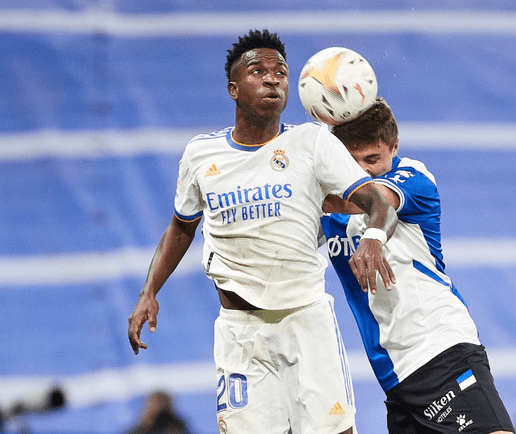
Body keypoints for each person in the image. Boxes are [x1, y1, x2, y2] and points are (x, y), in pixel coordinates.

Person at [127, 30, 398, 434]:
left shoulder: (313, 142)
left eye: (281, 72)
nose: (273, 79)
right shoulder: (201, 155)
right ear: (234, 89)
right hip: (241, 333)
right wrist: (149, 291)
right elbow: (181, 228)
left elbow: (379, 202)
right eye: (259, 71)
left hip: (306, 321)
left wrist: (374, 238)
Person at [321, 98, 515, 434]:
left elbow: (381, 203)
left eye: (372, 159)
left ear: (393, 146)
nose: (362, 171)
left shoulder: (413, 178)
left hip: (441, 350)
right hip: (394, 376)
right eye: (351, 162)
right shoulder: (327, 209)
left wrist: (373, 237)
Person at [126, 391, 190, 434]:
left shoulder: (175, 427)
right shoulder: (141, 427)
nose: (152, 407)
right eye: (151, 404)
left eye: (157, 403)